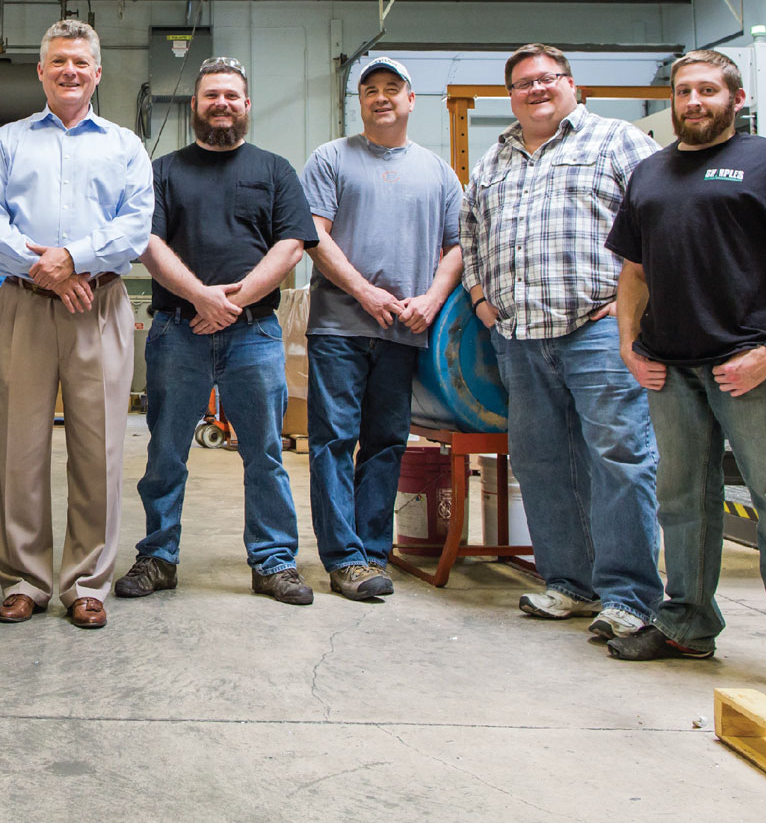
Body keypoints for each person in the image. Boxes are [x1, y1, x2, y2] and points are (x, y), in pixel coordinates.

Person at [605, 48, 766, 695]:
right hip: (669, 370)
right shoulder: (649, 174)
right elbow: (633, 275)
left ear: (735, 99)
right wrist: (631, 344)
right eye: (683, 91)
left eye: (708, 91)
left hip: (749, 366)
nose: (694, 102)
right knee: (682, 503)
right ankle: (686, 622)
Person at [460, 44, 662, 640]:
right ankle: (569, 584)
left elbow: (661, 223)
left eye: (547, 79)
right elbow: (471, 234)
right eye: (523, 83)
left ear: (571, 84)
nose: (535, 89)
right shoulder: (494, 159)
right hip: (519, 336)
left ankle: (630, 596)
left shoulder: (616, 141)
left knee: (619, 458)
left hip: (599, 328)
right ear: (510, 95)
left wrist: (634, 308)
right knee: (542, 464)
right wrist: (479, 298)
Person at [116, 57, 319, 606]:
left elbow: (292, 244)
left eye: (232, 95)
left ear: (246, 106)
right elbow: (147, 245)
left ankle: (273, 562)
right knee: (165, 452)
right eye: (211, 96)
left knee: (265, 452)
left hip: (254, 334)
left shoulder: (276, 171)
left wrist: (234, 300)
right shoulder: (163, 171)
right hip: (178, 331)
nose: (222, 104)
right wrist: (201, 297)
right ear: (195, 107)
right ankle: (158, 556)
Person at [0, 19, 152, 630]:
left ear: (97, 73)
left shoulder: (125, 145)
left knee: (98, 448)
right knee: (18, 447)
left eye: (81, 62)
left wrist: (74, 260)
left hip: (97, 303)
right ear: (41, 72)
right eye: (58, 62)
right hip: (24, 302)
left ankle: (87, 581)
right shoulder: (7, 142)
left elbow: (135, 226)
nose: (70, 71)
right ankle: (24, 578)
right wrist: (46, 269)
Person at [299, 57, 463, 601]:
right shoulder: (331, 159)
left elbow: (458, 245)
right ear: (360, 102)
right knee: (334, 440)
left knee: (387, 442)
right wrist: (363, 291)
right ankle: (343, 557)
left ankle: (372, 551)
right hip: (340, 329)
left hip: (404, 330)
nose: (382, 97)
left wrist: (433, 300)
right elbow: (314, 236)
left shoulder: (438, 172)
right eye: (370, 90)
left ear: (412, 101)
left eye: (393, 89)